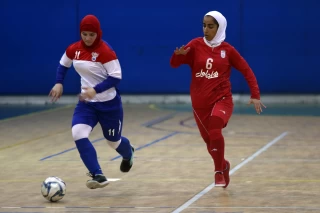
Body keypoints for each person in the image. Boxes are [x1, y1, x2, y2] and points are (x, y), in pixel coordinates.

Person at [170, 11, 266, 188]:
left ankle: (218, 172)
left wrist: (255, 95)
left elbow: (247, 70)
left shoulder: (228, 50)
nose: (206, 29)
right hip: (199, 104)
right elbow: (174, 64)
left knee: (215, 130)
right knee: (210, 143)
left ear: (220, 27)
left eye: (211, 26)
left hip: (222, 99)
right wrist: (178, 55)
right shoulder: (195, 44)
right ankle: (224, 165)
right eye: (204, 25)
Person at [49, 14, 135, 189]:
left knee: (113, 142)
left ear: (98, 34)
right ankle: (98, 174)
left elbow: (116, 77)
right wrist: (59, 83)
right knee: (78, 133)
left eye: (91, 35)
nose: (88, 38)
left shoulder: (106, 52)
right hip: (87, 104)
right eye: (84, 34)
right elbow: (63, 64)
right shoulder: (74, 49)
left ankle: (129, 153)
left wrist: (96, 90)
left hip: (109, 105)